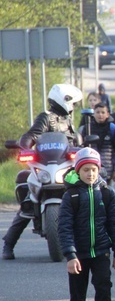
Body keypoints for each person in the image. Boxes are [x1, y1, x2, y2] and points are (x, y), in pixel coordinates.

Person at [3, 84, 83, 261]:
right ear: (65, 100)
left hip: (65, 167)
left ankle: (94, 240)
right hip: (45, 166)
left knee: (84, 194)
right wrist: (24, 147)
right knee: (27, 203)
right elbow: (30, 136)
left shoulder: (67, 120)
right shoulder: (46, 117)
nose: (74, 107)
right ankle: (8, 244)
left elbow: (76, 142)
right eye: (73, 103)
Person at [59, 148, 115, 301]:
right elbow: (65, 226)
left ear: (99, 170)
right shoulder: (71, 196)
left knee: (104, 286)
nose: (90, 174)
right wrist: (70, 255)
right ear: (78, 171)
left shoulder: (106, 193)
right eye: (86, 169)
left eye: (94, 169)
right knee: (78, 292)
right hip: (78, 254)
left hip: (102, 251)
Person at [79, 103, 115, 185]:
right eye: (98, 112)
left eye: (103, 112)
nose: (100, 115)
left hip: (107, 170)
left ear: (108, 114)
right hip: (90, 170)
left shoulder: (112, 128)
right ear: (93, 114)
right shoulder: (87, 128)